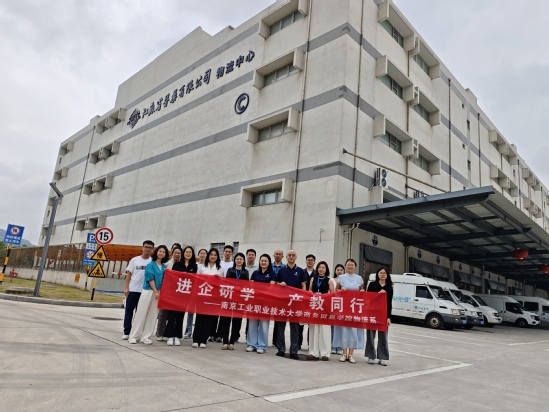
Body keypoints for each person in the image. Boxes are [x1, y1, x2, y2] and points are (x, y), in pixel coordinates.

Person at [128, 245, 169, 344]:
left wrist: (159, 292)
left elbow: (165, 281)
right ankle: (134, 336)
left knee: (153, 315)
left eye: (163, 252)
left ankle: (145, 336)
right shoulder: (150, 264)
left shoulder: (164, 267)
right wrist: (155, 291)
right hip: (148, 291)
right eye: (160, 251)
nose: (161, 253)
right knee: (141, 313)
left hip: (158, 293)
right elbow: (150, 278)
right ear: (156, 252)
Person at [275, 250, 307, 360]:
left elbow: (303, 286)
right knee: (280, 327)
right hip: (283, 303)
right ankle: (281, 349)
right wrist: (280, 284)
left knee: (295, 328)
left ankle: (294, 351)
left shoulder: (300, 271)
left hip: (296, 303)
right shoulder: (281, 270)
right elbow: (276, 284)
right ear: (286, 257)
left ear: (296, 257)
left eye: (293, 255)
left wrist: (303, 297)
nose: (291, 257)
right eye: (289, 255)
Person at [333, 258, 364, 364]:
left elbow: (362, 291)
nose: (350, 266)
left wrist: (362, 291)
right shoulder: (341, 277)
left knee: (353, 331)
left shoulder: (359, 278)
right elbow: (336, 290)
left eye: (352, 265)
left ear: (355, 266)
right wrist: (340, 290)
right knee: (344, 330)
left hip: (355, 308)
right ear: (345, 266)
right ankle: (344, 353)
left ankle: (351, 354)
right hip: (344, 307)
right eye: (348, 265)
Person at [165, 246, 197, 346]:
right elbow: (172, 278)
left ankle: (177, 336)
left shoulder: (194, 266)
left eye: (190, 252)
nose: (188, 254)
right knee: (171, 315)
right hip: (175, 293)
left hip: (185, 295)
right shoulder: (177, 264)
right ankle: (170, 336)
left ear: (192, 254)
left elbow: (194, 280)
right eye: (186, 252)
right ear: (183, 253)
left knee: (180, 316)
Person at [122, 240, 154, 340]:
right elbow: (128, 274)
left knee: (140, 314)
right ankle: (127, 332)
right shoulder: (134, 260)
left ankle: (136, 333)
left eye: (150, 247)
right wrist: (126, 287)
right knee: (129, 311)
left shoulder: (152, 262)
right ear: (142, 248)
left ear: (152, 250)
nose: (147, 249)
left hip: (145, 291)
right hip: (133, 290)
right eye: (146, 247)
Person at [192, 248, 223, 348]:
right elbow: (196, 279)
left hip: (212, 297)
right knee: (199, 318)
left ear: (217, 257)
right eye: (211, 254)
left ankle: (203, 340)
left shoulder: (220, 268)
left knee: (208, 319)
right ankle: (196, 339)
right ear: (208, 256)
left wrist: (218, 278)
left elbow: (222, 283)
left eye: (215, 255)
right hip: (202, 295)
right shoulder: (202, 267)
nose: (213, 256)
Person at [218, 252, 249, 350]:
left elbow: (247, 285)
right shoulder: (230, 270)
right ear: (235, 260)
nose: (239, 260)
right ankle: (225, 341)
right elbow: (226, 282)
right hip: (229, 297)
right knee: (226, 321)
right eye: (237, 259)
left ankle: (232, 342)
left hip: (240, 300)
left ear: (243, 261)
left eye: (241, 259)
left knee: (237, 322)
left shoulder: (245, 272)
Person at [247, 254, 276, 354]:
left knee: (264, 324)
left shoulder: (272, 273)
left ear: (269, 263)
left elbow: (272, 287)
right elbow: (251, 285)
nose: (263, 262)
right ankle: (251, 344)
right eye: (262, 261)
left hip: (266, 303)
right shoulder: (255, 273)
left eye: (265, 261)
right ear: (259, 262)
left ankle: (262, 345)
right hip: (254, 301)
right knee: (252, 323)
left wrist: (262, 294)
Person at [365, 266, 393, 366]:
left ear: (387, 275)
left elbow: (389, 303)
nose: (382, 274)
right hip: (372, 313)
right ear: (377, 274)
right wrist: (378, 294)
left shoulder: (389, 288)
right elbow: (368, 298)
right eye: (380, 272)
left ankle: (382, 357)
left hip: (383, 315)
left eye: (384, 273)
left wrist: (389, 317)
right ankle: (371, 356)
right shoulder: (372, 285)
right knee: (370, 336)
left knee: (383, 336)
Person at [307, 261, 334, 361]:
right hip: (314, 306)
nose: (321, 269)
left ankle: (325, 353)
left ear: (326, 269)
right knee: (313, 329)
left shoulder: (329, 280)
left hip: (324, 307)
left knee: (324, 330)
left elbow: (333, 294)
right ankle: (313, 352)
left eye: (323, 267)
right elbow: (309, 291)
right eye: (319, 267)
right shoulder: (313, 279)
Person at [156, 246, 181, 341]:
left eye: (179, 253)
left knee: (172, 315)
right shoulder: (166, 265)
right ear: (172, 253)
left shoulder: (182, 265)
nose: (177, 254)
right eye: (175, 253)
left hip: (177, 293)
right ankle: (160, 333)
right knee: (163, 313)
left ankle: (168, 333)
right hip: (166, 291)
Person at [184, 248, 207, 339]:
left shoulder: (207, 266)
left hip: (203, 292)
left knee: (200, 313)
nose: (202, 255)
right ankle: (188, 331)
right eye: (201, 253)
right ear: (198, 254)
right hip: (193, 292)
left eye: (204, 253)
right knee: (190, 313)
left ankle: (198, 332)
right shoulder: (195, 265)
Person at [300, 254, 316, 349]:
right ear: (305, 261)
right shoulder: (301, 272)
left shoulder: (316, 273)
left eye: (311, 260)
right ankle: (298, 344)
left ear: (314, 262)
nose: (309, 261)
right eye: (308, 260)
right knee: (300, 324)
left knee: (312, 324)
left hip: (313, 302)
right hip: (302, 301)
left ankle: (311, 344)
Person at [271, 249, 286, 347]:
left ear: (282, 256)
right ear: (273, 255)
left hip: (280, 296)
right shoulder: (269, 266)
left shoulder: (284, 268)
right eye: (276, 254)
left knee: (278, 319)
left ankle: (276, 341)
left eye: (280, 254)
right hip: (269, 295)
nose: (278, 256)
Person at [331, 263, 345, 355]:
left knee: (340, 327)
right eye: (338, 270)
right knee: (333, 327)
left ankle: (339, 347)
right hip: (334, 305)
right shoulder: (332, 280)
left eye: (341, 270)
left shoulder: (346, 280)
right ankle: (333, 346)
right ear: (335, 271)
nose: (339, 271)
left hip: (343, 306)